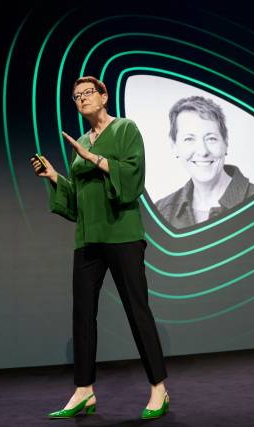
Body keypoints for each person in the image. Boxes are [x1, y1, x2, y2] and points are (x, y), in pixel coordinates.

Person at [30, 76, 169, 420]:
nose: (81, 99)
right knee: (82, 314)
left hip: (122, 235)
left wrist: (92, 158)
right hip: (88, 239)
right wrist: (55, 177)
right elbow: (79, 201)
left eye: (88, 93)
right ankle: (84, 390)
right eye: (76, 96)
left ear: (104, 96)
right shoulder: (80, 141)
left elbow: (133, 176)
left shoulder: (125, 129)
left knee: (137, 310)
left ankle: (159, 389)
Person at [155, 96, 254, 229]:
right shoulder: (161, 213)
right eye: (189, 139)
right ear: (174, 146)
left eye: (211, 139)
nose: (203, 151)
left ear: (225, 142)